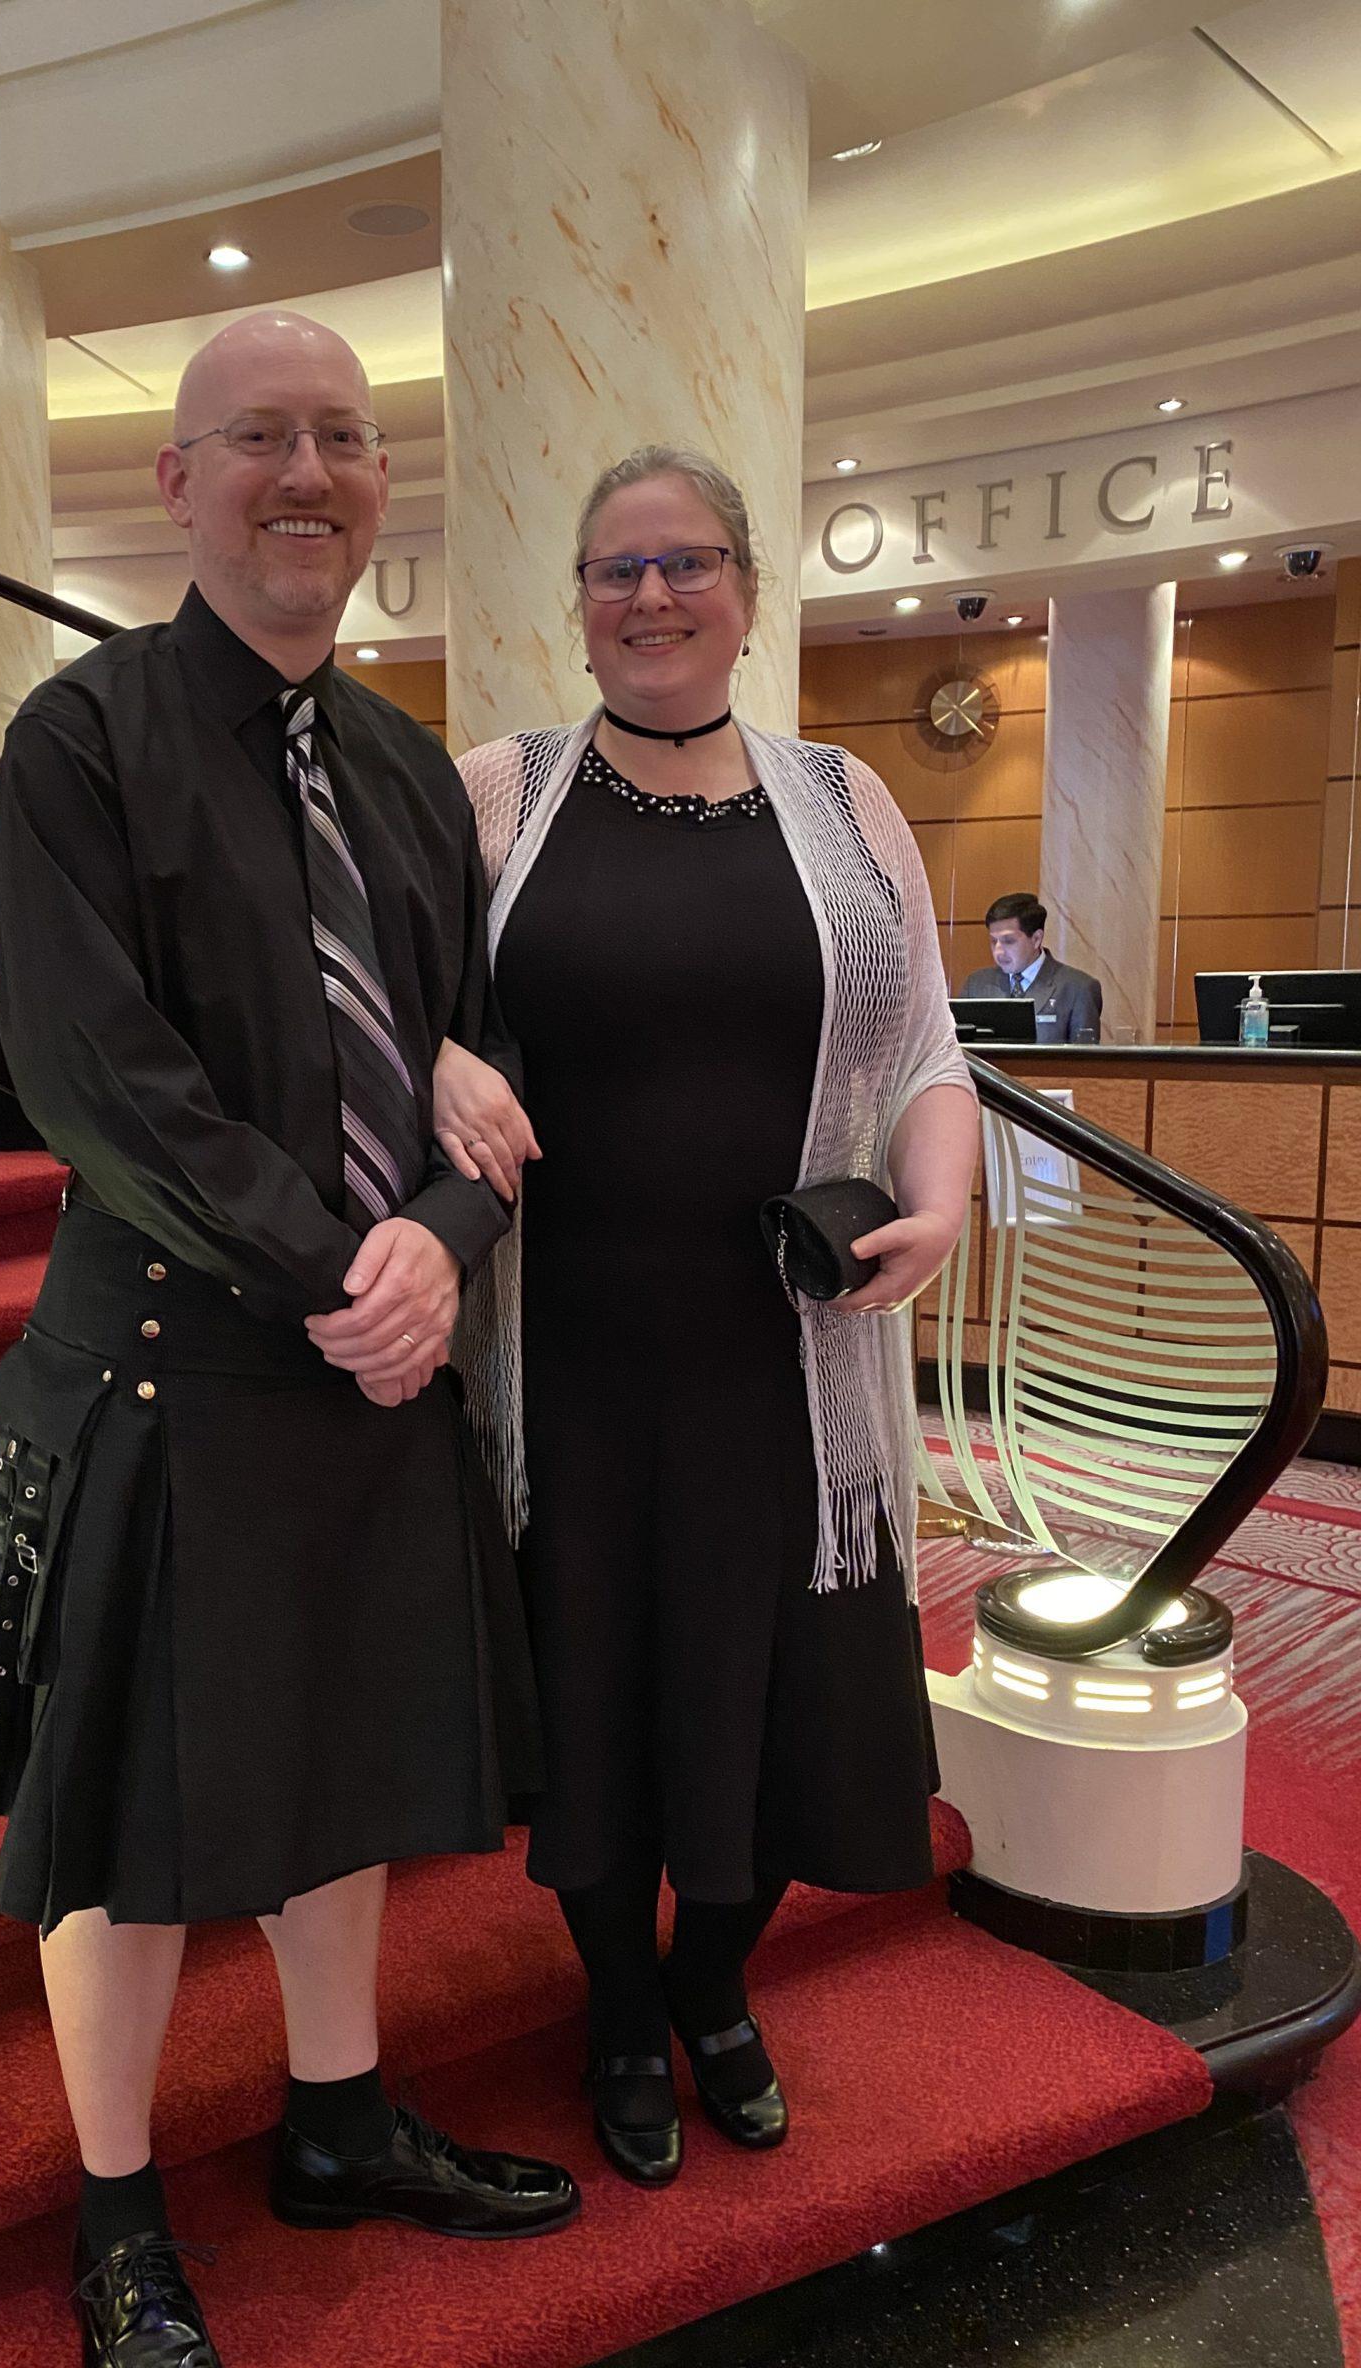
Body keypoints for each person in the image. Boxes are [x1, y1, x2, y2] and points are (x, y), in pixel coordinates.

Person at [0, 310, 576, 2368]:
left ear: (378, 483)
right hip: (162, 1363)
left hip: (368, 1361)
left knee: (351, 1769)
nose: (303, 471)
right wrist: (359, 1268)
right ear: (179, 481)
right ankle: (117, 2222)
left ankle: (336, 2123)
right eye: (258, 439)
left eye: (342, 437)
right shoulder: (80, 743)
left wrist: (447, 1245)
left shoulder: (409, 771)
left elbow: (480, 1076)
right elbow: (96, 1083)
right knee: (129, 1839)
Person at [433, 446, 979, 2191]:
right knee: (594, 1705)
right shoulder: (496, 795)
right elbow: (380, 1012)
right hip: (569, 1352)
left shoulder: (846, 798)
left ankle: (712, 1984)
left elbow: (926, 1058)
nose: (650, 597)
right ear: (576, 604)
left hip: (785, 1355)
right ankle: (615, 2009)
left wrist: (945, 1198)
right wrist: (440, 1052)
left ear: (747, 588)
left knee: (771, 1711)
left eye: (685, 565)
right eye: (615, 571)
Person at [960, 893, 1103, 1043]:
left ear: (1036, 939)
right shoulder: (976, 985)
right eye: (993, 941)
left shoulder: (1078, 989)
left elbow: (1085, 1063)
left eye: (1008, 941)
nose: (998, 951)